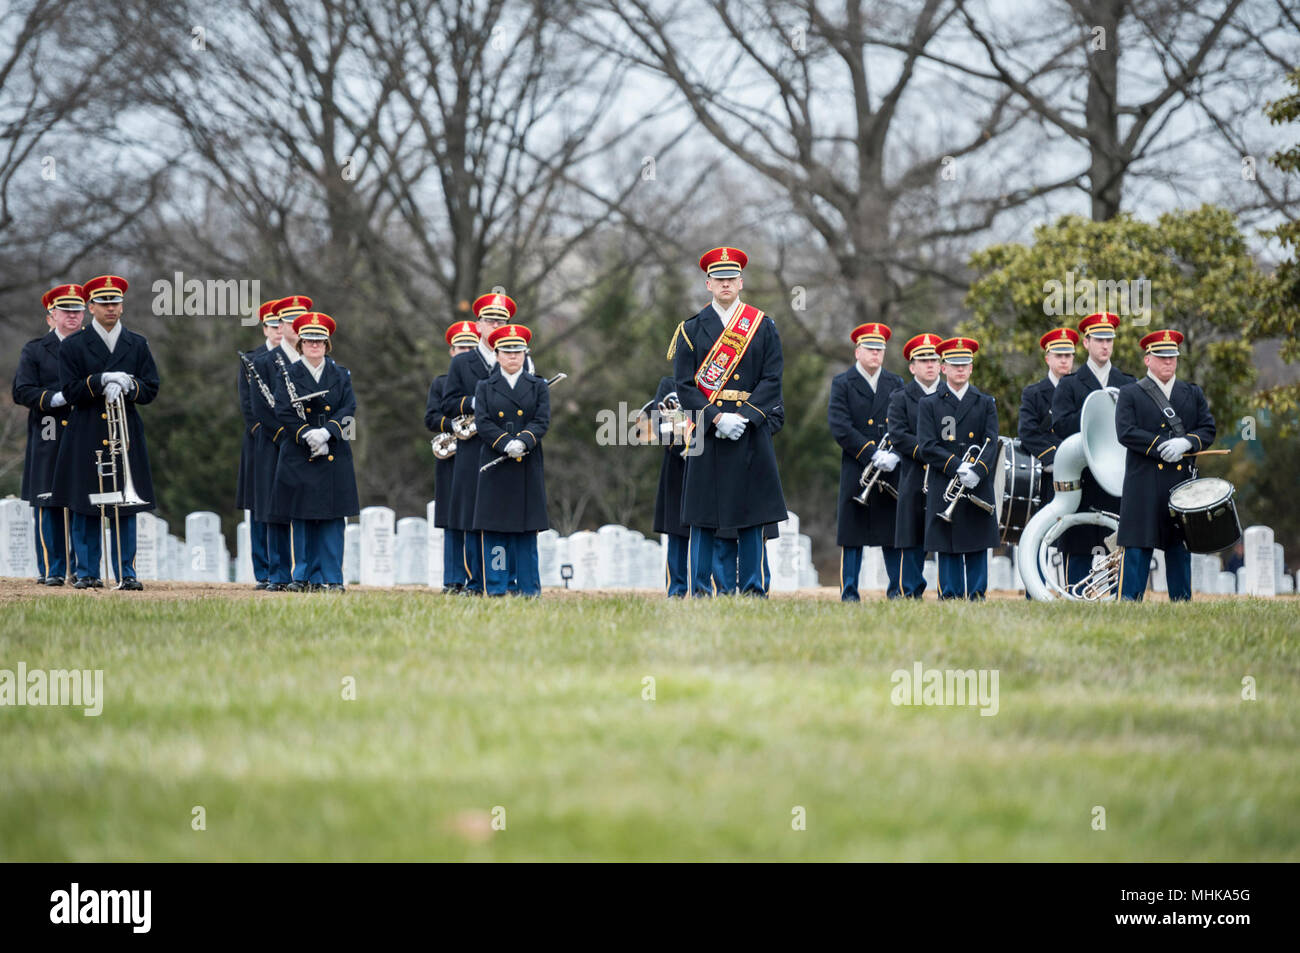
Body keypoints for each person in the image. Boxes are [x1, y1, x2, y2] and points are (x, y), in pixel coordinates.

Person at [669, 246, 786, 597]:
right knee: (704, 516)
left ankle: (753, 590)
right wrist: (716, 417)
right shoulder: (690, 329)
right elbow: (685, 386)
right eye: (718, 279)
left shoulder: (763, 326)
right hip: (709, 431)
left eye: (731, 279)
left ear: (741, 282)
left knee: (752, 515)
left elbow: (772, 380)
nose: (725, 284)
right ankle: (701, 590)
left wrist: (746, 417)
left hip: (750, 431)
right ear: (708, 284)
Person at [51, 275, 160, 590]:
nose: (110, 308)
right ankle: (87, 572)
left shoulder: (137, 343)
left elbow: (151, 389)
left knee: (125, 508)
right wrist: (100, 380)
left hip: (124, 433)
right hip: (86, 432)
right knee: (85, 505)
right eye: (103, 303)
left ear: (122, 306)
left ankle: (127, 572)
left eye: (115, 303)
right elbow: (70, 391)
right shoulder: (73, 345)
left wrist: (129, 384)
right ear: (92, 307)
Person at [1114, 329, 1215, 601]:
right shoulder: (1130, 393)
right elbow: (1125, 432)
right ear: (1148, 359)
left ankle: (1181, 603)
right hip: (1143, 483)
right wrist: (1159, 446)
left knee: (1179, 548)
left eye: (1172, 357)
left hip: (1179, 483)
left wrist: (1187, 443)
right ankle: (1128, 603)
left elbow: (1207, 429)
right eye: (1161, 356)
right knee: (1137, 547)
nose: (1168, 361)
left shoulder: (1191, 393)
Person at [442, 292, 529, 594]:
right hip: (473, 446)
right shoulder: (463, 362)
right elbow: (449, 402)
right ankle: (475, 581)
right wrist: (478, 402)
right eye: (489, 320)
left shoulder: (520, 358)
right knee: (471, 517)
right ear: (477, 324)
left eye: (501, 320)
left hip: (508, 446)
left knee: (510, 516)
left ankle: (510, 580)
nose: (495, 325)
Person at [269, 312, 360, 591]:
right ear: (301, 344)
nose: (314, 346)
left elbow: (349, 409)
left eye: (320, 341)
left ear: (327, 344)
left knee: (333, 520)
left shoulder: (340, 374)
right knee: (303, 516)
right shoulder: (290, 374)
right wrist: (306, 434)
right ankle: (304, 576)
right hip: (300, 452)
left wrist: (327, 432)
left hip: (333, 451)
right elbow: (282, 409)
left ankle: (332, 577)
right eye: (309, 341)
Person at [1051, 312, 1136, 589]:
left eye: (1109, 339)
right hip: (1084, 478)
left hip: (1115, 478)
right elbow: (1061, 425)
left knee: (1115, 548)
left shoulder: (1128, 383)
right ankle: (1074, 596)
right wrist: (1095, 409)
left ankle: (1114, 597)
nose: (1105, 345)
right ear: (1086, 343)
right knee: (1078, 547)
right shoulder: (1070, 384)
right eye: (1099, 339)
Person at [12, 284, 85, 584]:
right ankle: (52, 570)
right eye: (65, 310)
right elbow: (22, 390)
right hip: (49, 433)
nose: (72, 315)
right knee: (49, 502)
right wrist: (53, 398)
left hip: (84, 432)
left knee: (84, 503)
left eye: (77, 310)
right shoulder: (35, 350)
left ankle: (84, 569)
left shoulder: (92, 346)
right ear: (50, 317)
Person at [916, 336, 999, 600]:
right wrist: (957, 466)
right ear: (944, 368)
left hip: (977, 482)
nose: (960, 369)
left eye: (965, 364)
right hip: (946, 482)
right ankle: (949, 595)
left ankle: (977, 595)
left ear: (972, 368)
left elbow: (991, 442)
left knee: (976, 541)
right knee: (947, 544)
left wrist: (978, 470)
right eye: (954, 364)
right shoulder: (929, 403)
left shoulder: (986, 402)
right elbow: (927, 445)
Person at [472, 323, 550, 597]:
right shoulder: (485, 387)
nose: (512, 356)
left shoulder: (538, 385)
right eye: (506, 351)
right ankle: (496, 587)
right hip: (497, 465)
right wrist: (505, 443)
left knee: (526, 534)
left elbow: (542, 420)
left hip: (527, 464)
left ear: (525, 353)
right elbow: (482, 422)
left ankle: (529, 590)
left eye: (517, 351)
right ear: (496, 354)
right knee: (495, 532)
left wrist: (524, 441)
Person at [828, 322, 904, 600]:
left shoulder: (895, 383)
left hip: (890, 468)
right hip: (858, 466)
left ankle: (897, 591)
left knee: (892, 534)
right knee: (852, 535)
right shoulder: (842, 383)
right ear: (857, 351)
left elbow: (903, 422)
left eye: (880, 349)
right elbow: (839, 426)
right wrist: (871, 452)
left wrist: (895, 453)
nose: (875, 354)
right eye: (870, 348)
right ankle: (849, 592)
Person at [1017, 327, 1079, 598]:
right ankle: (1037, 591)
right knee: (1041, 535)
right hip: (1046, 475)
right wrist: (1055, 458)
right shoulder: (1034, 393)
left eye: (1069, 355)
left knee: (1074, 537)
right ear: (1048, 358)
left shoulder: (1081, 390)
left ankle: (1072, 591)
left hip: (1079, 474)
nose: (1065, 361)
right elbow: (1028, 431)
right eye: (1059, 355)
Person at [258, 294, 313, 590]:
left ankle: (304, 573)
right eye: (289, 321)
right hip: (276, 445)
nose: (294, 326)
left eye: (299, 320)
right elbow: (259, 409)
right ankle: (278, 575)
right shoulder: (265, 361)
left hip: (307, 447)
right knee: (276, 511)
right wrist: (291, 436)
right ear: (280, 325)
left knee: (305, 510)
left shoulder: (316, 360)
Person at [885, 332, 943, 598]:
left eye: (934, 359)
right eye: (923, 360)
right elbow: (898, 435)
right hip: (913, 475)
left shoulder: (949, 394)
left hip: (945, 476)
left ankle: (949, 590)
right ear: (912, 367)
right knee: (911, 536)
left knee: (947, 535)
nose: (929, 364)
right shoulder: (901, 397)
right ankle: (910, 590)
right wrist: (930, 451)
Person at [425, 320, 480, 593]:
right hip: (451, 456)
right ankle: (453, 579)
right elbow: (431, 418)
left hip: (476, 454)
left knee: (474, 519)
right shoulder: (441, 382)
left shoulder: (484, 380)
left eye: (471, 346)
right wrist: (453, 426)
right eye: (461, 347)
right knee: (451, 519)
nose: (465, 351)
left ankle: (475, 579)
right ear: (451, 350)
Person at [237, 297, 284, 589]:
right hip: (261, 442)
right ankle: (264, 571)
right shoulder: (252, 361)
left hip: (293, 442)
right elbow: (248, 407)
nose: (279, 330)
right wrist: (272, 434)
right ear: (264, 328)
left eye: (284, 324)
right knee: (260, 508)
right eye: (273, 325)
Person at [642, 376, 690, 597]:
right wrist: (687, 442)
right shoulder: (669, 384)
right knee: (677, 534)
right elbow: (660, 427)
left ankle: (707, 589)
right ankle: (677, 592)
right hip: (678, 467)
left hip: (711, 466)